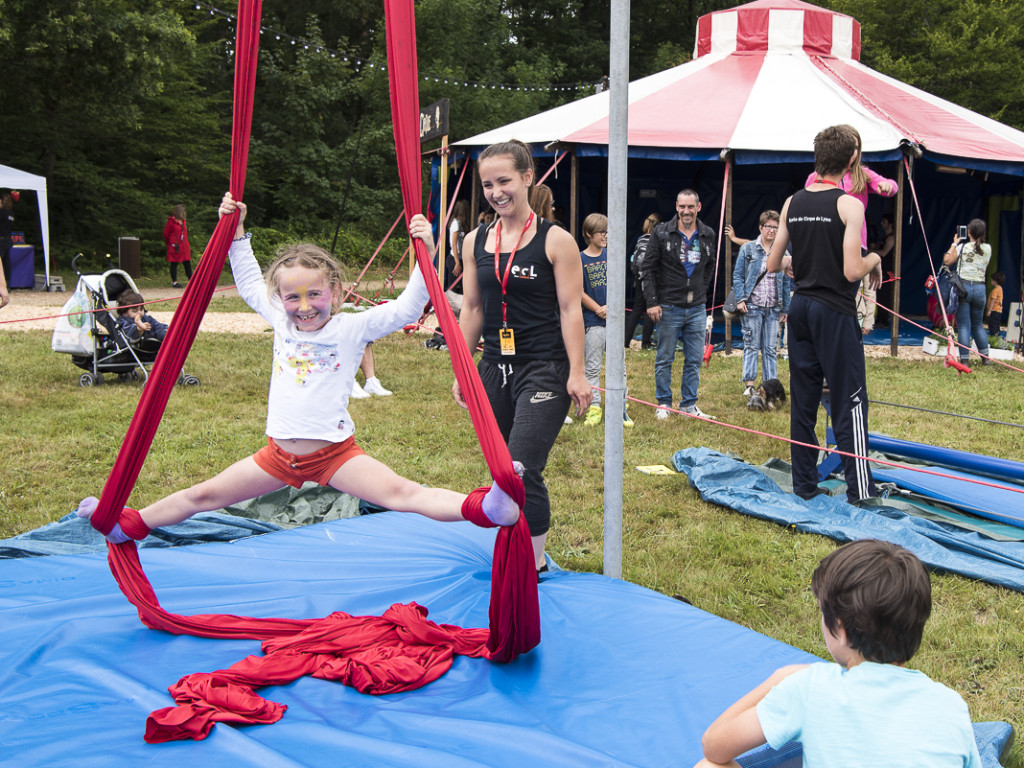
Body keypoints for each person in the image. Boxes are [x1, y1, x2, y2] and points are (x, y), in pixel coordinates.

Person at [80, 193, 521, 542]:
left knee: (403, 494)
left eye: (315, 295)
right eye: (292, 297)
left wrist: (425, 249)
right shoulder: (279, 319)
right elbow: (251, 282)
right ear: (282, 299)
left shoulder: (351, 328)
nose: (304, 307)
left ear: (336, 291)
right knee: (203, 495)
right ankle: (127, 525)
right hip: (277, 457)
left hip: (334, 455)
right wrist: (235, 230)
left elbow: (408, 306)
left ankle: (485, 508)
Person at [695, 539, 982, 768]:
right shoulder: (951, 705)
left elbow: (715, 745)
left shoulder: (810, 687)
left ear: (841, 629)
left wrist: (779, 678)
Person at [456, 139, 592, 574]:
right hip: (495, 366)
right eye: (487, 184)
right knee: (501, 470)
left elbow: (572, 310)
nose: (496, 192)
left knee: (520, 467)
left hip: (544, 367)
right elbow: (473, 308)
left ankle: (533, 567)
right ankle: (514, 546)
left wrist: (577, 373)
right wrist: (465, 370)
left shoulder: (558, 240)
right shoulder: (476, 240)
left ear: (528, 178)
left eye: (505, 181)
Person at [768, 125, 880, 503]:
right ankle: (860, 491)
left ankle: (804, 486)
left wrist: (796, 262)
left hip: (800, 308)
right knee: (849, 399)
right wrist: (876, 258)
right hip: (834, 310)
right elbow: (852, 270)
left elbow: (772, 261)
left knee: (803, 399)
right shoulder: (850, 204)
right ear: (852, 160)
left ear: (817, 158)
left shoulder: (792, 202)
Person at [804, 128, 895, 336]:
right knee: (824, 294)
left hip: (855, 243)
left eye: (854, 146)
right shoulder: (815, 177)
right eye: (846, 146)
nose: (850, 151)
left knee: (848, 294)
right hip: (825, 242)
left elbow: (892, 185)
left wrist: (886, 186)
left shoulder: (862, 174)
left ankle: (850, 332)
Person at [642, 189, 718, 421]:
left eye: (690, 207)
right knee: (664, 358)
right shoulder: (661, 232)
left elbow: (710, 267)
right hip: (668, 306)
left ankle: (688, 405)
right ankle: (663, 403)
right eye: (682, 206)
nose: (686, 211)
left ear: (699, 207)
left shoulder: (708, 234)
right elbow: (646, 268)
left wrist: (701, 292)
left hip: (696, 307)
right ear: (676, 206)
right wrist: (653, 302)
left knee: (694, 359)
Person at [578, 213, 631, 428]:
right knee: (592, 368)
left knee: (620, 367)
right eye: (602, 232)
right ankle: (594, 408)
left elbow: (620, 284)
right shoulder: (579, 259)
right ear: (589, 234)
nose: (606, 236)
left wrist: (612, 306)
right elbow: (577, 290)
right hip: (592, 322)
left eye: (608, 231)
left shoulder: (613, 255)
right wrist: (598, 309)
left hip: (615, 322)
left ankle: (620, 409)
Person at [732, 210, 790, 396]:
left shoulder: (783, 251)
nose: (772, 231)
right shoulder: (748, 249)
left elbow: (787, 281)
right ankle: (749, 385)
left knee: (770, 348)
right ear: (761, 227)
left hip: (774, 306)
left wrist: (785, 308)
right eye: (768, 227)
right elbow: (738, 276)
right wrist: (741, 299)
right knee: (751, 345)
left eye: (775, 227)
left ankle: (769, 386)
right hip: (752, 305)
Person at [943, 219, 992, 367]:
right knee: (978, 325)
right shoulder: (988, 248)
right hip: (980, 288)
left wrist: (954, 243)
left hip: (963, 288)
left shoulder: (963, 247)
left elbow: (947, 260)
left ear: (968, 232)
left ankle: (965, 359)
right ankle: (986, 358)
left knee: (964, 325)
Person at [624, 213, 659, 351]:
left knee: (637, 309)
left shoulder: (640, 239)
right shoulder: (656, 241)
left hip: (638, 278)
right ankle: (646, 342)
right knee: (651, 307)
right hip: (651, 278)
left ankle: (625, 341)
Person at [163, 204, 193, 288]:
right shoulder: (171, 222)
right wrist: (170, 242)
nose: (184, 213)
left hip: (184, 246)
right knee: (174, 263)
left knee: (187, 262)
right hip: (175, 246)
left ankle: (192, 280)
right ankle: (174, 282)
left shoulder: (183, 222)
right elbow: (166, 233)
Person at [0, 189, 15, 308]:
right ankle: (8, 284)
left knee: (4, 261)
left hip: (2, 239)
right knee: (6, 262)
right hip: (8, 239)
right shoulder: (10, 213)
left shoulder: (2, 213)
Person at [987, 271, 1005, 339]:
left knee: (992, 326)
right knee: (996, 326)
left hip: (994, 310)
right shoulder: (1000, 289)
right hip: (999, 311)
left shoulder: (995, 290)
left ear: (995, 281)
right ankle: (997, 339)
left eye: (992, 280)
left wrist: (989, 310)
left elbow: (993, 300)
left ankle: (993, 339)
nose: (991, 281)